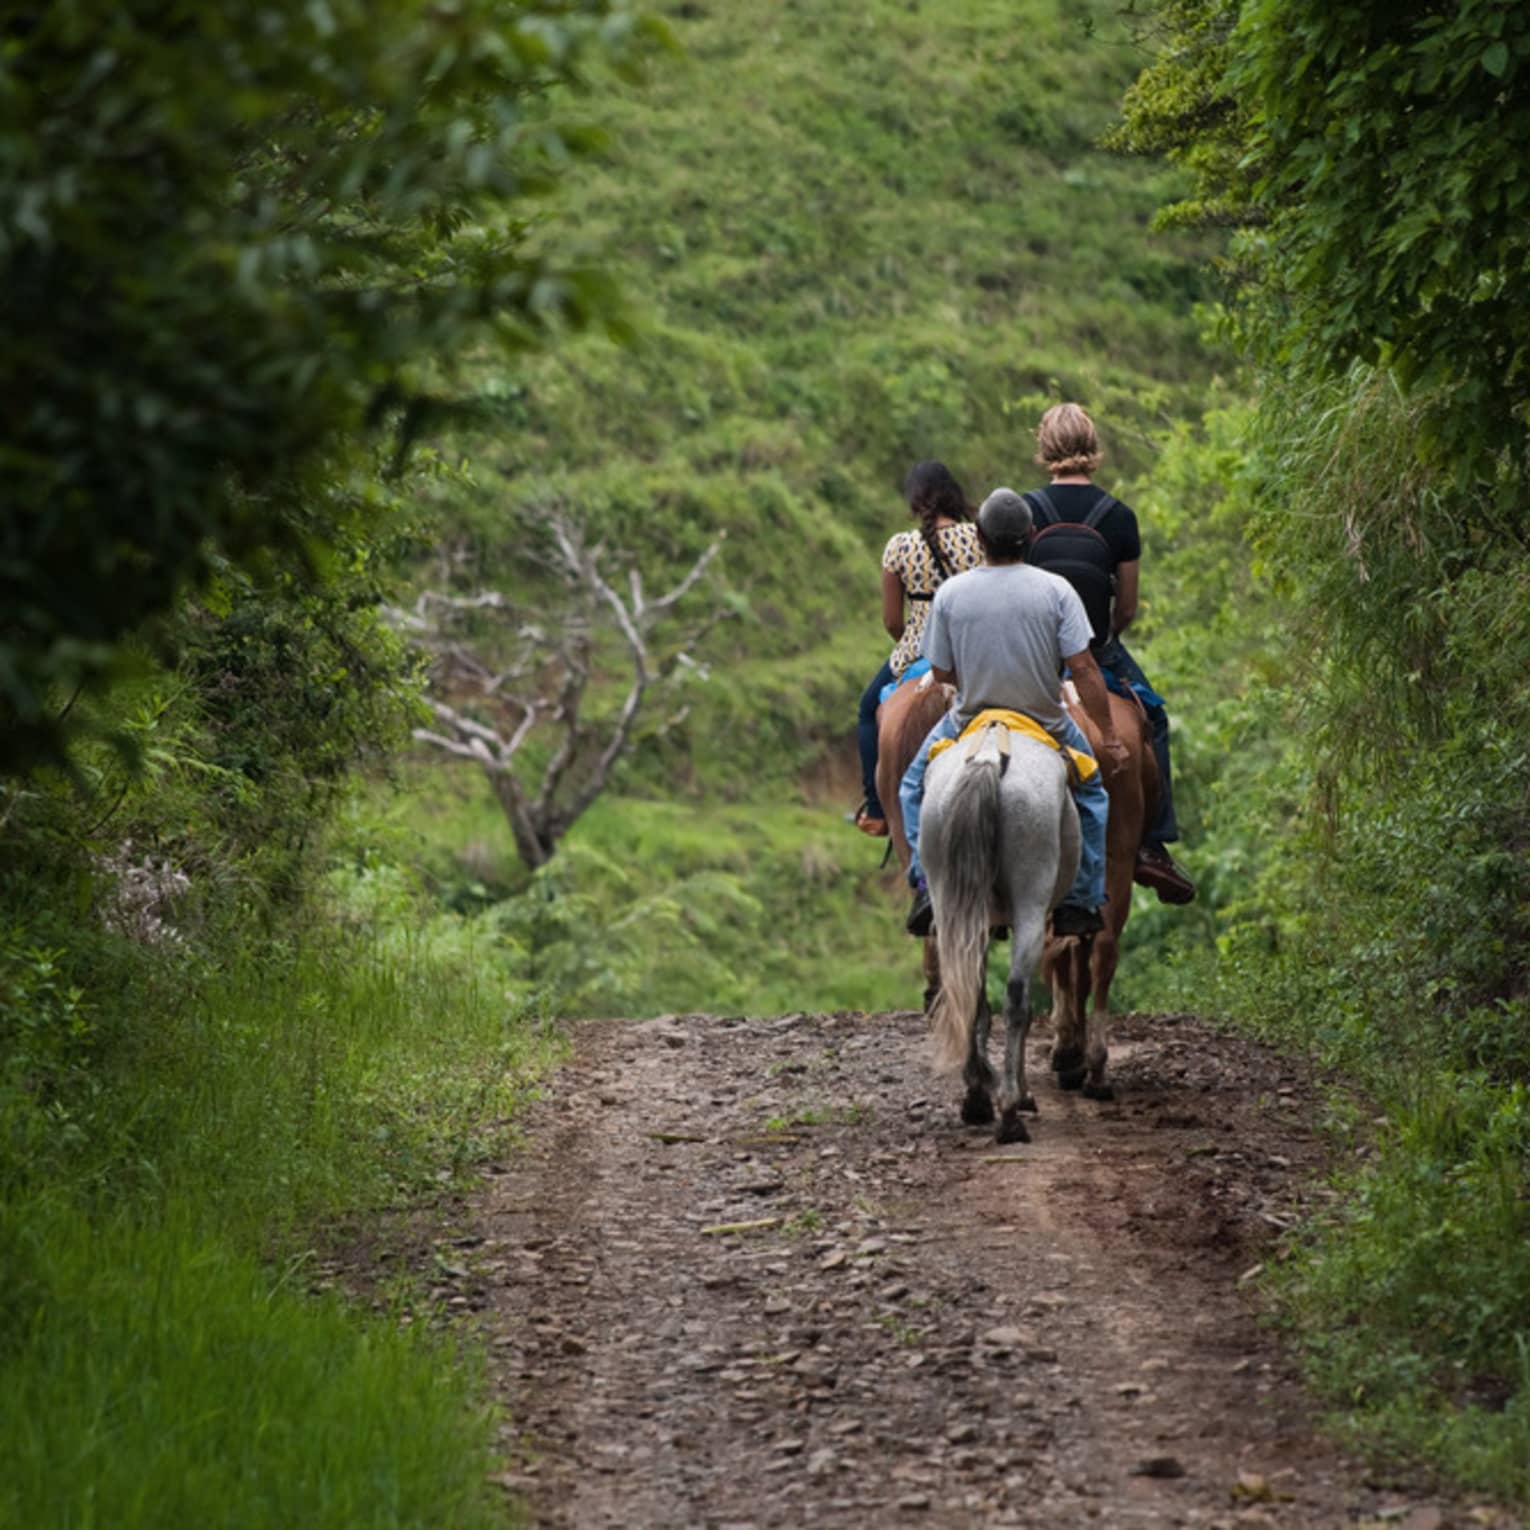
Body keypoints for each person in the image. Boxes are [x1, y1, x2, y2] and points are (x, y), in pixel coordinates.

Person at [900, 488, 1125, 938]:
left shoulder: (951, 593)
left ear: (979, 536)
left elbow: (941, 670)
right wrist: (1109, 735)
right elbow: (1083, 668)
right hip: (1045, 721)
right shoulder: (1056, 590)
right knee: (1093, 793)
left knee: (911, 787)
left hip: (969, 719)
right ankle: (1079, 898)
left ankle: (925, 883)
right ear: (1032, 536)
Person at [1021, 403, 1195, 904]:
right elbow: (1129, 607)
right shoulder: (1119, 517)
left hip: (1037, 658)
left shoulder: (1025, 511)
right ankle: (1152, 847)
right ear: (1093, 446)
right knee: (1154, 719)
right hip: (1096, 652)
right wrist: (1099, 639)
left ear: (1046, 447)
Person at [853, 461, 982, 836]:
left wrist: (913, 645)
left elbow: (893, 621)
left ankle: (876, 810)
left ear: (915, 500)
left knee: (866, 710)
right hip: (971, 653)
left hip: (917, 651)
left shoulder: (900, 547)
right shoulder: (978, 537)